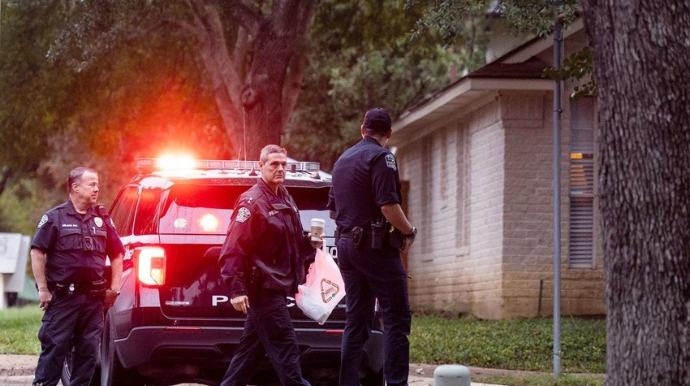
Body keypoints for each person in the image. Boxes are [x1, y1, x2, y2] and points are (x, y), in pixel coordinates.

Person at [218, 144, 322, 386]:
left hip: (275, 287)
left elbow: (290, 242)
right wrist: (236, 289)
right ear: (260, 166)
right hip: (263, 290)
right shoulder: (251, 203)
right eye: (274, 164)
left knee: (247, 358)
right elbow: (233, 248)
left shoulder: (284, 196)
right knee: (287, 351)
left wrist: (309, 243)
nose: (280, 169)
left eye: (283, 164)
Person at [328, 107, 417, 386]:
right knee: (396, 318)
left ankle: (347, 383)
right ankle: (397, 383)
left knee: (356, 319)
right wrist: (408, 231)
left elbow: (333, 209)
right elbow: (388, 205)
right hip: (374, 249)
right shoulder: (383, 157)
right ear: (388, 134)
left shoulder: (342, 160)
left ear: (362, 129)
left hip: (345, 246)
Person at [31, 167, 124, 386]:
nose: (96, 188)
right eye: (91, 184)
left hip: (93, 302)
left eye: (97, 184)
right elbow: (37, 251)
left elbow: (118, 254)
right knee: (55, 349)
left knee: (89, 354)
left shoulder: (102, 219)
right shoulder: (55, 218)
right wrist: (43, 289)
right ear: (75, 187)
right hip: (63, 299)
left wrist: (115, 288)